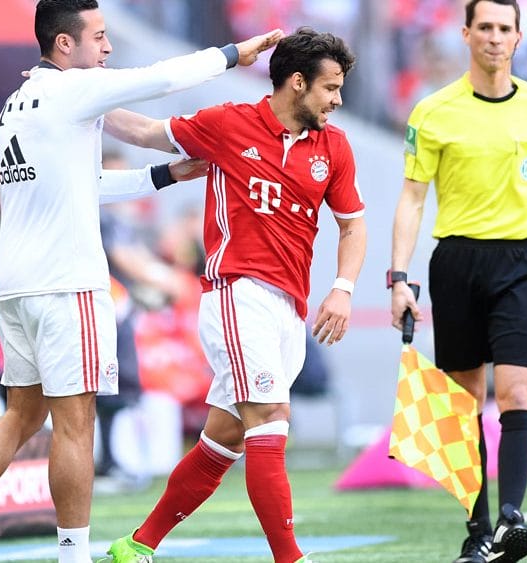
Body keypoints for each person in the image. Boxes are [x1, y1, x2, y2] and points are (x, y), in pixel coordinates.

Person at [0, 1, 282, 561]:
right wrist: (236, 53)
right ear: (64, 45)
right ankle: (74, 556)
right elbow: (160, 79)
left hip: (18, 286)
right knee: (76, 425)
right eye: (98, 36)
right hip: (69, 285)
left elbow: (83, 186)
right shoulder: (73, 91)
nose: (108, 47)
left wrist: (165, 175)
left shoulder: (16, 104)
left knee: (22, 413)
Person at [103, 27, 366, 563]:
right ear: (297, 83)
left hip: (288, 309)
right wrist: (79, 97)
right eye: (331, 88)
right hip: (236, 293)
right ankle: (291, 558)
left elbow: (353, 225)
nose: (338, 101)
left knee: (224, 438)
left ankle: (136, 546)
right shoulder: (227, 124)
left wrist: (342, 289)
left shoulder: (333, 147)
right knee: (270, 419)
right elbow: (150, 132)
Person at [388, 1, 527, 562]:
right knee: (464, 404)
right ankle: (477, 532)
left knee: (516, 392)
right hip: (458, 262)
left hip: (522, 261)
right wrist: (399, 278)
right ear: (466, 34)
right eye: (484, 28)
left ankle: (512, 516)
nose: (494, 38)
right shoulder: (434, 111)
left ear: (519, 38)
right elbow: (413, 199)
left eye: (504, 29)